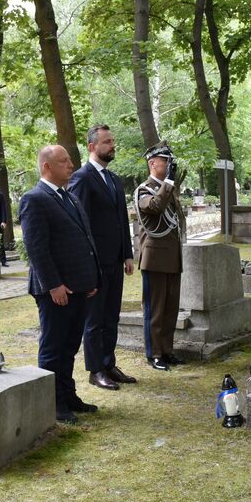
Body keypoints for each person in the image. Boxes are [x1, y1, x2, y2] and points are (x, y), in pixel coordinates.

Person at [19, 145, 101, 424]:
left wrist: (91, 279)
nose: (71, 165)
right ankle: (53, 404)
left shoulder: (69, 197)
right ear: (47, 167)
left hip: (78, 286)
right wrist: (53, 285)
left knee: (70, 346)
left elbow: (85, 240)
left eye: (70, 160)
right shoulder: (35, 199)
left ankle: (68, 396)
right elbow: (36, 247)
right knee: (54, 347)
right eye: (64, 161)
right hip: (55, 290)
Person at [68, 124, 137, 391]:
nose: (112, 145)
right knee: (94, 319)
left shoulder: (114, 180)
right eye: (107, 142)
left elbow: (122, 220)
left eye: (112, 141)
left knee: (111, 316)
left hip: (115, 262)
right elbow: (79, 224)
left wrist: (127, 254)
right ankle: (95, 369)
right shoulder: (82, 178)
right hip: (93, 264)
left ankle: (109, 363)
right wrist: (86, 263)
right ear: (92, 146)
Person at [134, 141, 187, 371]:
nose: (169, 165)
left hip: (172, 257)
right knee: (155, 311)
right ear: (153, 163)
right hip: (154, 259)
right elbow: (155, 207)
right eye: (165, 161)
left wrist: (169, 185)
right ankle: (154, 354)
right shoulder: (144, 189)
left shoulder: (169, 188)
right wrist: (168, 184)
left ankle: (167, 350)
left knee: (170, 309)